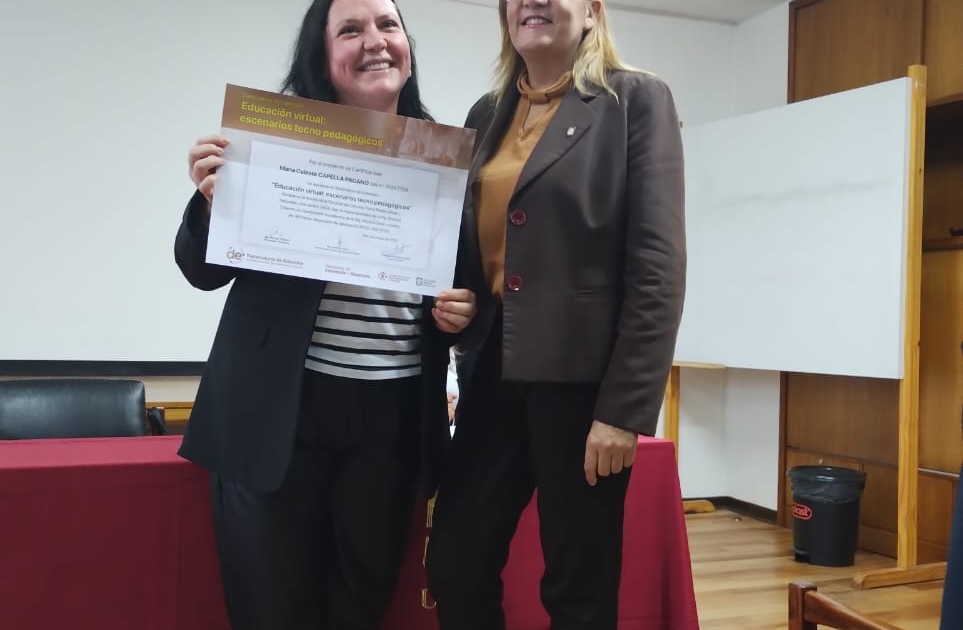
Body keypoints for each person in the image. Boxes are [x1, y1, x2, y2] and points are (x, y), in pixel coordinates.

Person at [174, 1, 476, 628]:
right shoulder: (270, 145)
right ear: (323, 55)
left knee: (359, 608)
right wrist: (208, 203)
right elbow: (202, 272)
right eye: (351, 30)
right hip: (279, 412)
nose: (375, 41)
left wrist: (463, 309)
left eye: (388, 25)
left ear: (408, 46)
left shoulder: (442, 158)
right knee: (272, 611)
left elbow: (467, 284)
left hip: (392, 418)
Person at [424, 0, 686, 628]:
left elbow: (657, 267)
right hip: (491, 371)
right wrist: (461, 301)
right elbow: (478, 247)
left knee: (578, 589)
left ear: (592, 12)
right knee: (456, 562)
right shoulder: (485, 114)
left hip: (585, 388)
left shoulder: (635, 101)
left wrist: (623, 411)